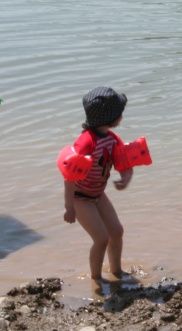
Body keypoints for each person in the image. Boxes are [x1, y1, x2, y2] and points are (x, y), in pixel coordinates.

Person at [63, 86, 134, 286]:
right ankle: (96, 279)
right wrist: (69, 207)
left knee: (117, 232)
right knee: (101, 238)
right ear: (111, 117)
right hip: (80, 197)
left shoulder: (112, 139)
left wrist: (126, 178)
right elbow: (69, 177)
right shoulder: (86, 143)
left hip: (98, 194)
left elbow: (124, 164)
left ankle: (117, 271)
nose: (122, 115)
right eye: (120, 112)